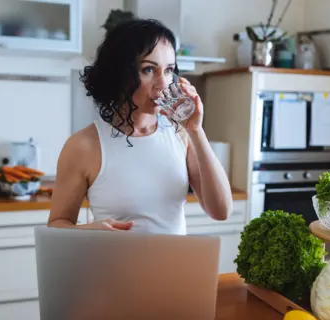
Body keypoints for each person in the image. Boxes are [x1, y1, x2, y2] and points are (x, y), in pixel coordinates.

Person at [47, 18, 232, 234]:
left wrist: (196, 131)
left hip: (175, 267)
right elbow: (56, 224)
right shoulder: (83, 146)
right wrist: (89, 231)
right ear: (119, 74)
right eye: (148, 70)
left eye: (168, 70)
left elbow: (221, 211)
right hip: (114, 267)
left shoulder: (180, 135)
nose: (163, 84)